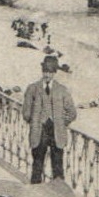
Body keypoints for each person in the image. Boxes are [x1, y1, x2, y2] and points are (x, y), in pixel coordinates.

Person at [22, 54, 78, 184]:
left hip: (57, 133)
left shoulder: (62, 90)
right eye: (45, 71)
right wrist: (35, 121)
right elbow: (26, 111)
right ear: (42, 71)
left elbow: (72, 112)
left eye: (50, 72)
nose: (47, 75)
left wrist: (62, 122)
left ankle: (59, 194)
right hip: (39, 131)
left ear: (55, 73)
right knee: (37, 164)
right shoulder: (33, 88)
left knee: (58, 166)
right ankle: (35, 192)